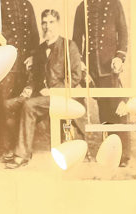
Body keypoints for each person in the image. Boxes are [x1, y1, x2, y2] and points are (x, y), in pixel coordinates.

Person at [8, 9, 86, 169]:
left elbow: (76, 76)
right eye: (44, 22)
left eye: (51, 22)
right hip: (43, 98)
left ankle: (21, 155)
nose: (47, 26)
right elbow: (35, 77)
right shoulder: (39, 49)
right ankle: (18, 149)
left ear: (58, 25)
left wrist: (54, 90)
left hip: (63, 96)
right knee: (11, 104)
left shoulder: (69, 46)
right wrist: (29, 88)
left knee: (29, 106)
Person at [73, 0, 130, 166]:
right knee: (103, 111)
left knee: (117, 108)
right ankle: (110, 151)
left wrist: (119, 57)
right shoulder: (81, 8)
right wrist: (81, 63)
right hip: (91, 69)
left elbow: (123, 33)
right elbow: (76, 40)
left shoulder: (114, 4)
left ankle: (123, 155)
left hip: (110, 66)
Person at [0, 0, 39, 162]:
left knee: (22, 105)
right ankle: (4, 145)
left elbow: (34, 34)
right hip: (6, 64)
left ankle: (20, 147)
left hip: (24, 65)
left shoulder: (27, 5)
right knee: (4, 105)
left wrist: (33, 55)